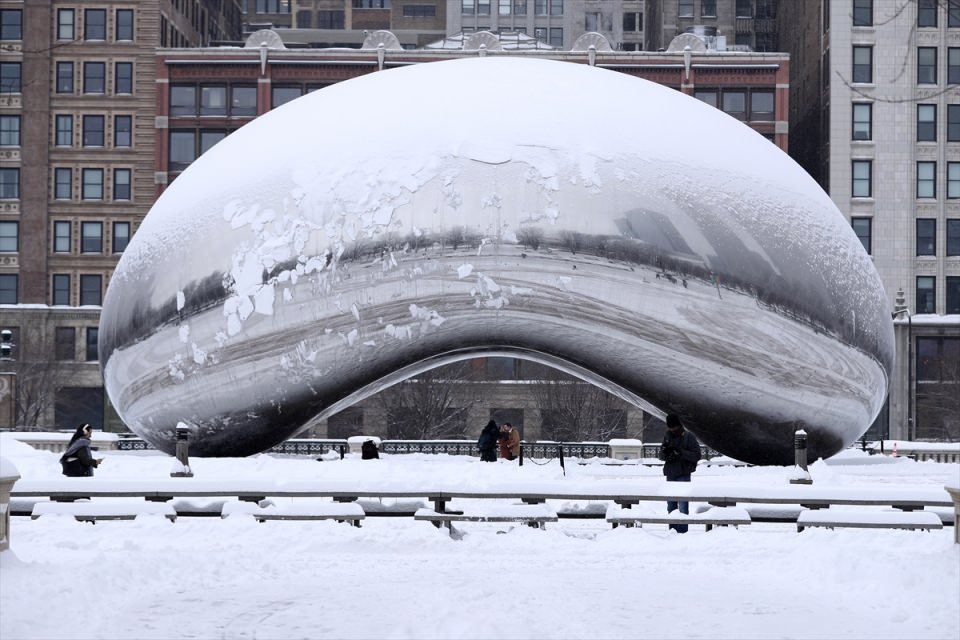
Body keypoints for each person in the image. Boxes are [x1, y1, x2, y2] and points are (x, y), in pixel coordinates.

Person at [658, 413, 700, 533]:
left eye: (674, 427)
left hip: (683, 473)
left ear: (679, 425)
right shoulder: (667, 436)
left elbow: (697, 455)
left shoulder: (688, 437)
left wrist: (681, 452)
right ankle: (672, 531)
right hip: (671, 474)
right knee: (671, 506)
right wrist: (667, 453)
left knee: (683, 506)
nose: (672, 430)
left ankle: (682, 533)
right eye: (670, 428)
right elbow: (661, 456)